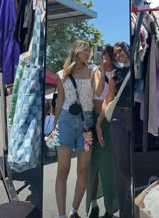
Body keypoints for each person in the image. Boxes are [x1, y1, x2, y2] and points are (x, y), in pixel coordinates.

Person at [49, 40, 105, 218]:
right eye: (85, 49)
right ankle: (62, 215)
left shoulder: (93, 72)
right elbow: (59, 101)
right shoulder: (62, 74)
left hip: (86, 124)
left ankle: (74, 210)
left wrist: (102, 69)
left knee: (83, 169)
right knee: (63, 168)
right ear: (76, 51)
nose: (88, 52)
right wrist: (54, 125)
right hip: (65, 121)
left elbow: (98, 92)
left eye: (90, 50)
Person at [96, 41, 133, 218]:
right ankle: (126, 212)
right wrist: (99, 123)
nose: (118, 55)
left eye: (121, 51)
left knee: (135, 164)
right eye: (115, 53)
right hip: (118, 118)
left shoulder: (139, 69)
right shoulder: (116, 74)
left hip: (137, 118)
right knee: (121, 167)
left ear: (128, 50)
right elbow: (108, 99)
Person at [86, 44, 119, 218]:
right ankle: (93, 204)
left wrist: (99, 123)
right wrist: (100, 70)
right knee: (91, 166)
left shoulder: (117, 74)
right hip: (91, 121)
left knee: (107, 166)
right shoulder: (95, 72)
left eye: (105, 55)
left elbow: (109, 99)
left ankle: (110, 208)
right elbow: (97, 92)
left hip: (106, 122)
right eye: (101, 55)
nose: (103, 58)